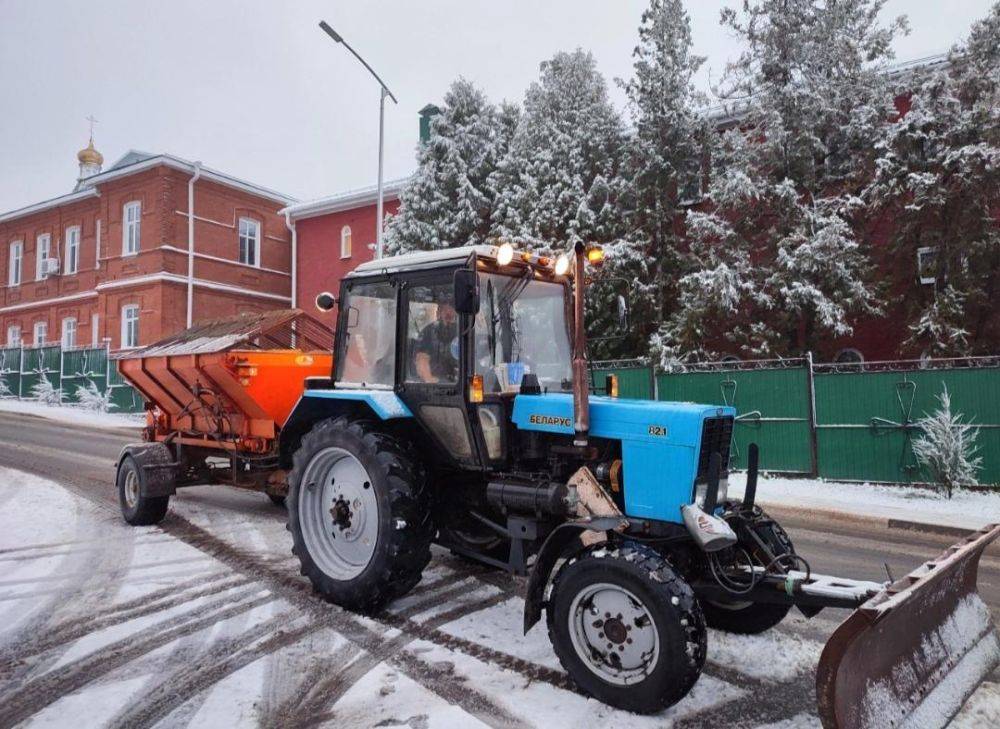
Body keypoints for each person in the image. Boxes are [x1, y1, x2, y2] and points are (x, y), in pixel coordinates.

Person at [414, 300, 458, 383]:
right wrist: (429, 379)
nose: (448, 312)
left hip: (460, 381)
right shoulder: (429, 331)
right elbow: (421, 358)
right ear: (439, 312)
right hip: (436, 384)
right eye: (445, 309)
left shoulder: (464, 331)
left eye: (451, 309)